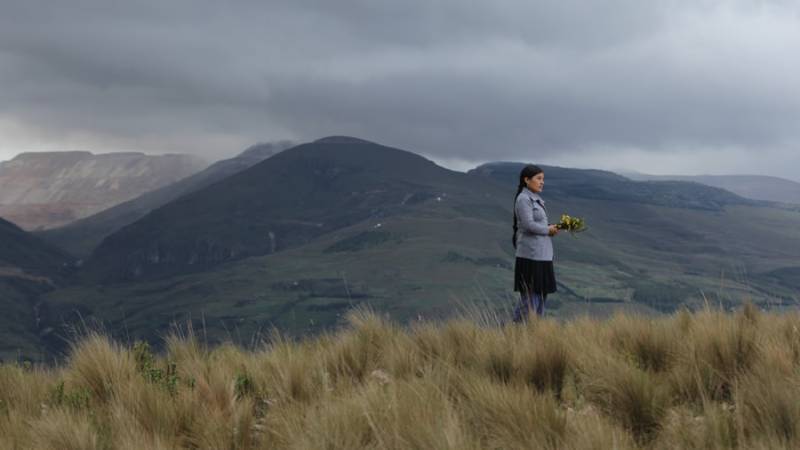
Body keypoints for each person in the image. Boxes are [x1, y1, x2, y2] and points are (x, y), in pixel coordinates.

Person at [512, 164, 559, 321]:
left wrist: (553, 229)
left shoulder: (537, 199)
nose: (542, 182)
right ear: (527, 180)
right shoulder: (523, 199)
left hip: (543, 255)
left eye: (543, 179)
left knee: (541, 298)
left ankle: (535, 333)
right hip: (531, 257)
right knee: (531, 299)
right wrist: (547, 230)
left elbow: (538, 226)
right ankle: (517, 331)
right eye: (538, 178)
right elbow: (528, 225)